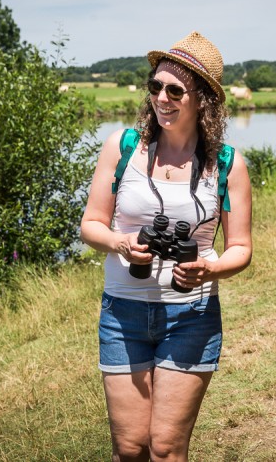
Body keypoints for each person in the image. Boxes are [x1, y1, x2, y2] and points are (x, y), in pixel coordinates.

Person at [80, 31, 253, 461]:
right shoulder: (122, 147)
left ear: (203, 100)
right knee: (131, 446)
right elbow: (90, 224)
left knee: (166, 448)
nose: (162, 97)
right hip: (123, 313)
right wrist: (121, 242)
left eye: (175, 90)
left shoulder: (226, 164)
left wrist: (208, 269)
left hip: (191, 315)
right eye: (155, 86)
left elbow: (240, 248)